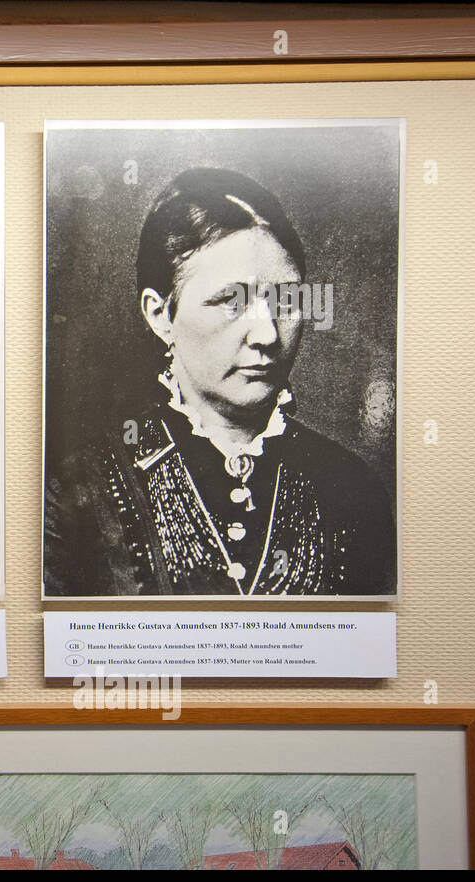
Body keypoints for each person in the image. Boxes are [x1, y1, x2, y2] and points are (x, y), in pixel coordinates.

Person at [44, 167, 395, 596]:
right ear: (160, 315)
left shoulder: (354, 493)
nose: (267, 334)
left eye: (287, 300)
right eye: (232, 301)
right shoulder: (80, 490)